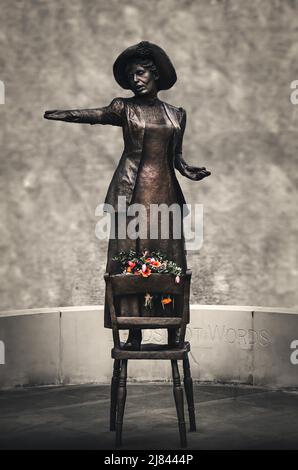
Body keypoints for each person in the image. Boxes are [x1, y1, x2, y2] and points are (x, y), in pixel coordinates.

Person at [44, 41, 211, 350]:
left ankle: (173, 328)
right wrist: (65, 114)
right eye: (132, 74)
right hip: (131, 194)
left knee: (169, 258)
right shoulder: (124, 107)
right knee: (130, 258)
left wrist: (190, 171)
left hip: (165, 194)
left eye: (141, 72)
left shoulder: (177, 115)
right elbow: (96, 114)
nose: (136, 79)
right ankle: (132, 329)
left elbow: (177, 158)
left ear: (156, 75)